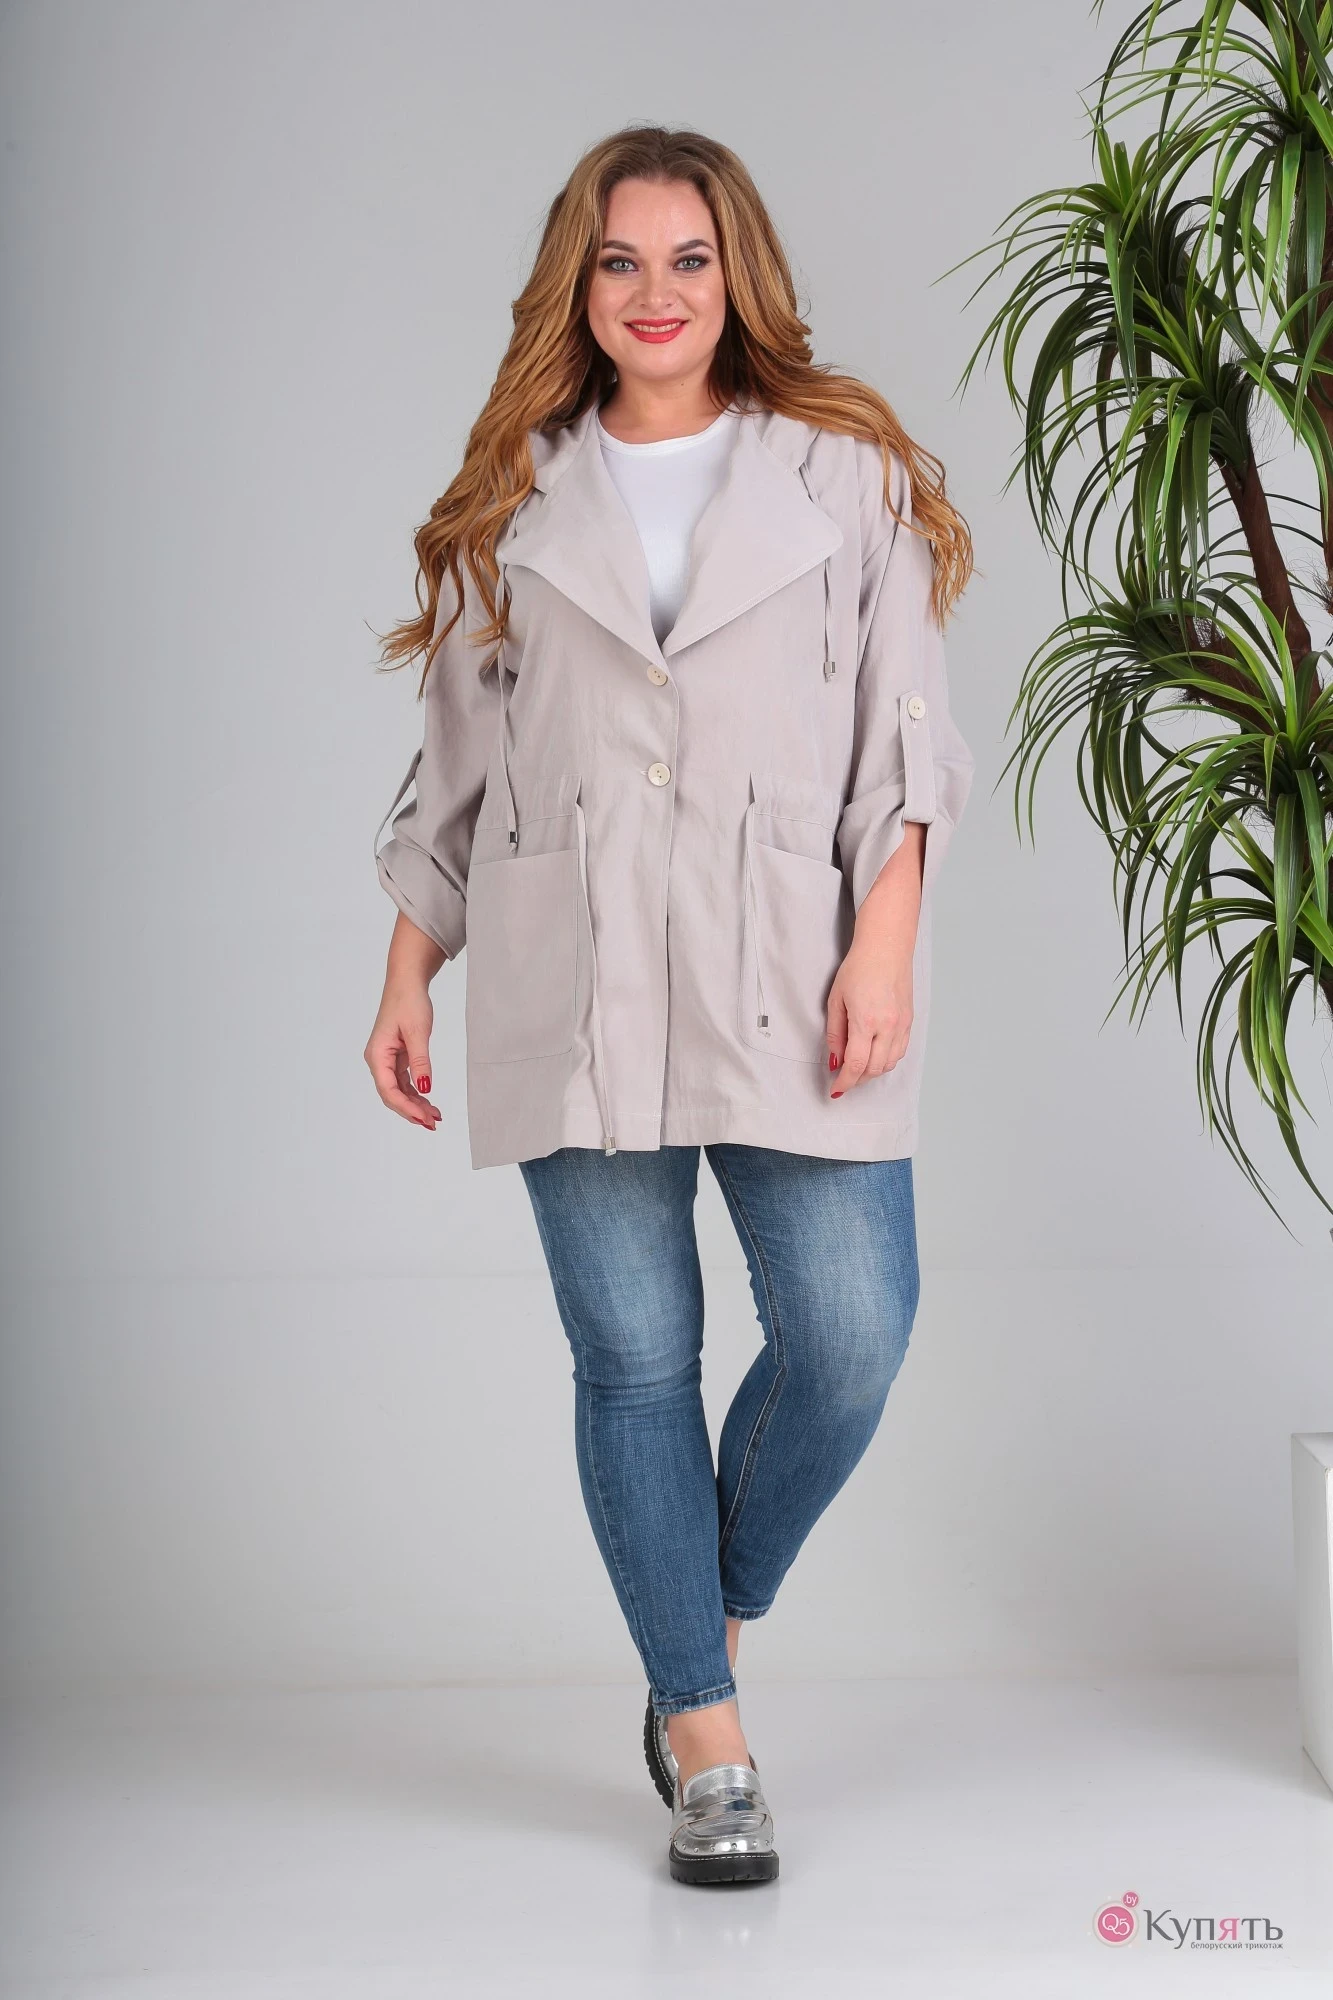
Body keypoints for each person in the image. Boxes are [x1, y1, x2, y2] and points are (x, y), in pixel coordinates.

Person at [365, 124, 976, 1887]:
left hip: (794, 959)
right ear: (579, 285)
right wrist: (407, 968)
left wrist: (886, 939)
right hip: (569, 969)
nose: (656, 294)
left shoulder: (844, 474)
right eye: (621, 262)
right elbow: (457, 770)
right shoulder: (515, 495)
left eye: (688, 260)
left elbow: (908, 736)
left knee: (853, 1333)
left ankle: (698, 1617)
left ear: (738, 275)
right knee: (634, 1361)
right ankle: (706, 1738)